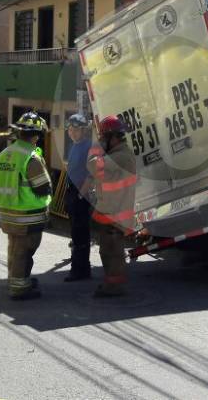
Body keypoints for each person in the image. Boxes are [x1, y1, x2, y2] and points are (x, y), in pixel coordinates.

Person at [0, 113, 53, 300]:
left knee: (14, 248)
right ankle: (20, 288)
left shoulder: (6, 153)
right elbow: (43, 188)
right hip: (28, 215)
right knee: (24, 251)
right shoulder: (30, 158)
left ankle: (15, 280)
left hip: (7, 212)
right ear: (35, 135)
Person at [87, 115, 137, 298]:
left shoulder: (121, 157)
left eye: (104, 138)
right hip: (112, 213)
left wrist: (95, 147)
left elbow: (92, 166)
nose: (101, 142)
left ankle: (115, 287)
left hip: (115, 215)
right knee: (107, 250)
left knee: (114, 252)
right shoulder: (118, 155)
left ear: (113, 137)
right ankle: (111, 283)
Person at [63, 113, 93, 282]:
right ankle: (81, 268)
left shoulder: (88, 146)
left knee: (80, 234)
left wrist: (81, 194)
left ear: (83, 131)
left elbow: (91, 174)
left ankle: (80, 270)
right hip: (72, 192)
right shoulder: (74, 145)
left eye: (76, 130)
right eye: (70, 129)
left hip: (81, 194)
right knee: (75, 233)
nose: (72, 132)